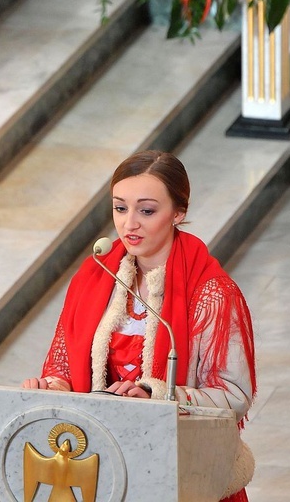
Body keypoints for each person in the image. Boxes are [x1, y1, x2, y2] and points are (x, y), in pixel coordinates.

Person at [22, 150, 256, 502]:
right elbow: (63, 365)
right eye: (120, 208)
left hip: (182, 469)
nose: (129, 223)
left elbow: (234, 395)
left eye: (146, 211)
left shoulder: (212, 293)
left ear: (179, 213)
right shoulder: (93, 275)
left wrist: (158, 394)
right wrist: (51, 385)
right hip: (104, 465)